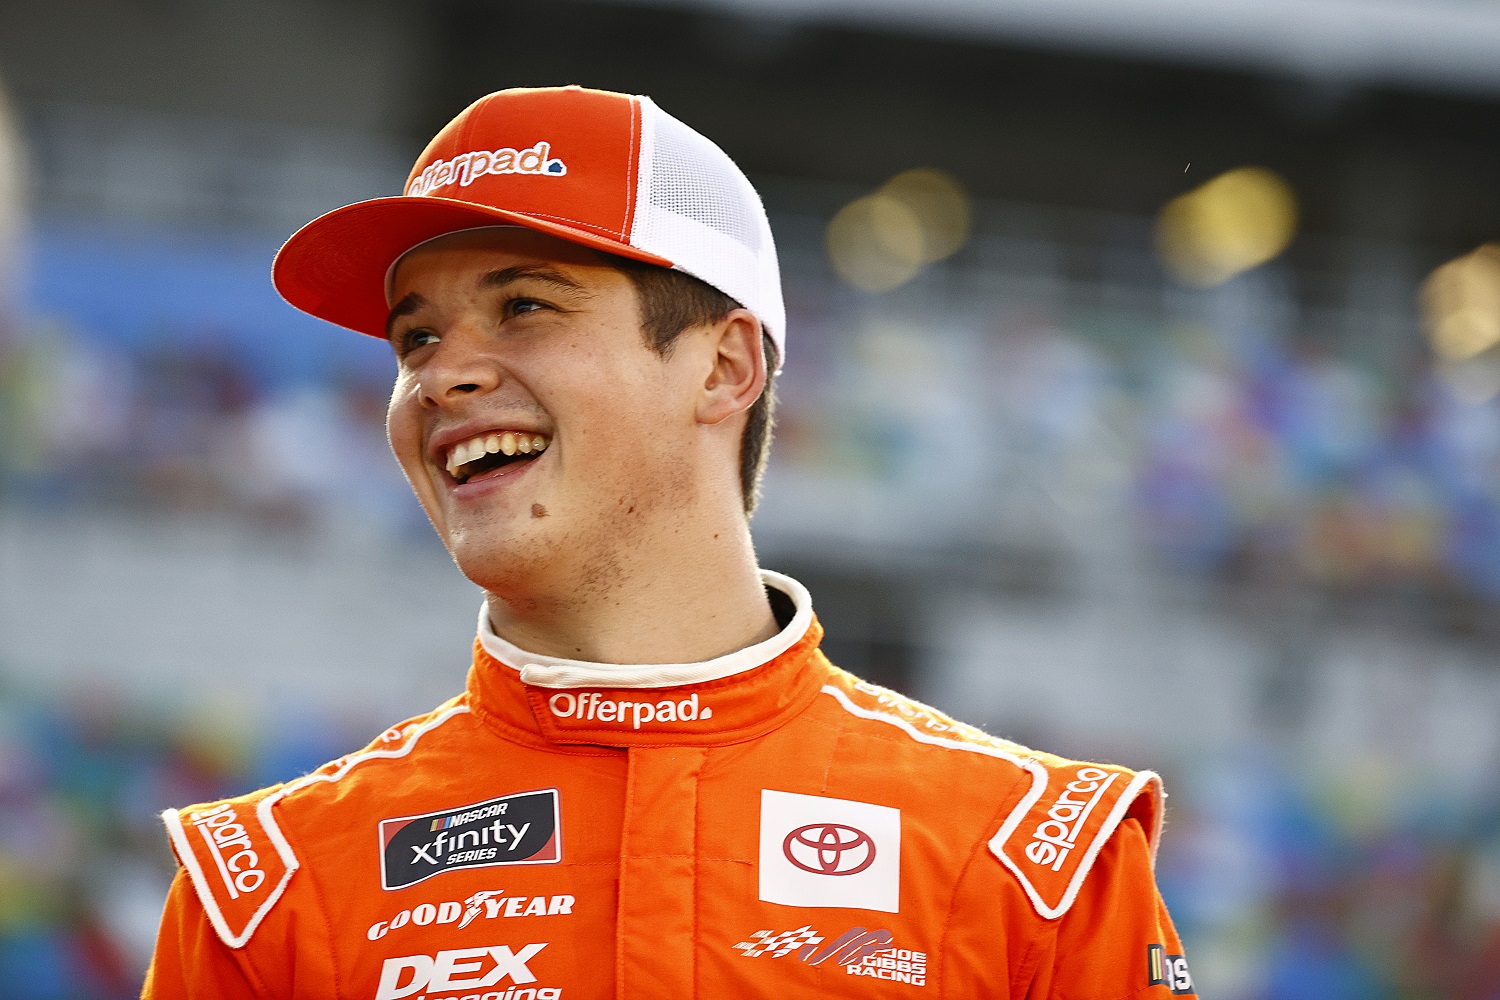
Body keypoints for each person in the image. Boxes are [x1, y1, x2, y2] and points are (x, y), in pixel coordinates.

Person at [142, 85, 1195, 1000]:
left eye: (523, 307)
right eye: (416, 336)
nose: (441, 376)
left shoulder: (1036, 861)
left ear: (726, 367)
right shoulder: (267, 889)